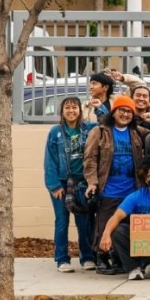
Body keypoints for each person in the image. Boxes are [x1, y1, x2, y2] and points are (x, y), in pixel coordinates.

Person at [84, 95, 148, 275]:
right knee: (104, 224)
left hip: (131, 189)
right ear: (114, 112)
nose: (125, 114)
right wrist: (92, 182)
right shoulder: (100, 132)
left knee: (124, 228)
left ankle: (120, 259)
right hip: (109, 188)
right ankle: (101, 259)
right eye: (122, 110)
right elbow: (90, 159)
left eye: (129, 111)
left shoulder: (137, 132)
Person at [96, 156, 150, 281]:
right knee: (118, 230)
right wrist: (106, 234)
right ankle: (134, 268)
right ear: (145, 178)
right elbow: (116, 216)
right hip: (139, 244)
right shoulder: (136, 196)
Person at [43, 96, 96, 272]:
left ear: (80, 111)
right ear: (62, 111)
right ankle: (62, 259)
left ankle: (87, 257)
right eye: (67, 108)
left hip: (82, 183)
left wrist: (99, 107)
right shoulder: (55, 132)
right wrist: (54, 186)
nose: (71, 111)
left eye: (75, 107)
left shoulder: (88, 129)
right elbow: (49, 161)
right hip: (62, 183)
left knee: (84, 221)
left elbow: (106, 123)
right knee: (62, 221)